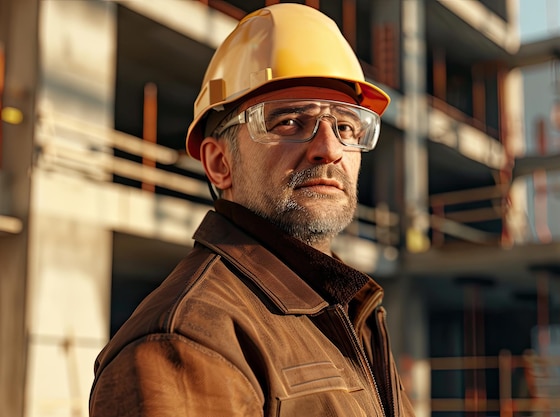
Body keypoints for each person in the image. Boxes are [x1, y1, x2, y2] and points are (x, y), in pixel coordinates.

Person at [89, 3, 415, 416]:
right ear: (219, 164)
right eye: (290, 122)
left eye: (346, 127)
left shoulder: (354, 311)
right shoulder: (186, 341)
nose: (330, 149)